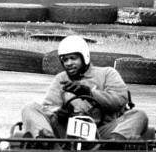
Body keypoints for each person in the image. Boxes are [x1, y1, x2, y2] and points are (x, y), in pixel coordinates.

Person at [19, 35, 148, 142]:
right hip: (66, 131)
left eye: (73, 58)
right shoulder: (61, 79)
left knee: (139, 115)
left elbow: (120, 99)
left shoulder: (107, 73)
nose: (68, 63)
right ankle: (46, 142)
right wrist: (60, 112)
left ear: (84, 57)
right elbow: (48, 107)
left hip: (101, 131)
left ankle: (114, 143)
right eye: (65, 60)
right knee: (30, 108)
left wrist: (89, 93)